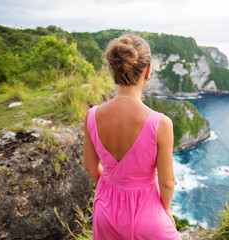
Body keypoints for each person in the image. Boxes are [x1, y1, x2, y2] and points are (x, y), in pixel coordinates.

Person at [83, 34, 181, 240]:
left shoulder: (92, 116)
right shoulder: (161, 123)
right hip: (147, 216)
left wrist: (113, 188)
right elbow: (167, 182)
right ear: (148, 70)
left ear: (113, 70)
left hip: (105, 212)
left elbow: (91, 167)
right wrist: (167, 210)